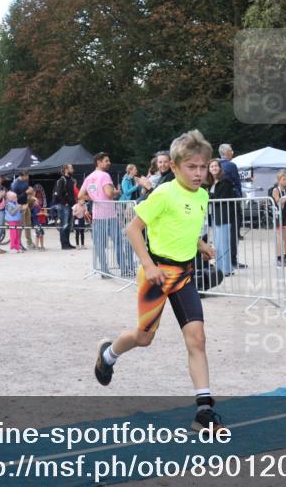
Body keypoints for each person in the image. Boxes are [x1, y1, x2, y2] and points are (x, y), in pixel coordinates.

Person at [94, 130, 224, 434]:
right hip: (157, 274)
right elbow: (132, 230)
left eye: (203, 167)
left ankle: (203, 413)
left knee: (197, 339)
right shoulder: (164, 193)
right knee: (143, 337)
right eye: (191, 167)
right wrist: (149, 265)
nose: (198, 173)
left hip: (183, 276)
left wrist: (201, 244)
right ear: (175, 167)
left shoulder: (203, 195)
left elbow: (184, 227)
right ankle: (108, 354)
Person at [81, 152, 124, 275]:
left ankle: (104, 270)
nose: (109, 163)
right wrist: (117, 192)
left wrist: (93, 198)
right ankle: (124, 268)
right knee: (118, 242)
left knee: (100, 244)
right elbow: (109, 193)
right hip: (109, 214)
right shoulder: (105, 176)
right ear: (99, 162)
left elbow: (80, 195)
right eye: (107, 160)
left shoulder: (89, 177)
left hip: (97, 215)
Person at [218, 143, 246, 269]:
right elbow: (237, 184)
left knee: (221, 233)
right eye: (231, 151)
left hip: (219, 205)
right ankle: (233, 260)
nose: (233, 153)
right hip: (232, 204)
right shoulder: (231, 165)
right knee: (233, 232)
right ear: (226, 153)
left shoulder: (215, 165)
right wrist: (240, 198)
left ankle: (223, 260)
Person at [207, 158, 237, 275]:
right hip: (216, 214)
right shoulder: (211, 183)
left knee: (223, 242)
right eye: (211, 166)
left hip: (224, 215)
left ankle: (225, 269)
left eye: (216, 166)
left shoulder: (225, 181)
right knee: (218, 242)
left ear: (220, 168)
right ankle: (222, 267)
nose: (214, 168)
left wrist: (208, 197)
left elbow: (220, 198)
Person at [271, 170, 286, 267]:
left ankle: (285, 256)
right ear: (279, 180)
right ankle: (278, 258)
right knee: (280, 238)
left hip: (285, 215)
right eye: (284, 179)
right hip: (278, 216)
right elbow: (278, 202)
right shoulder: (276, 190)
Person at [53, 165, 77, 249]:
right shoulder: (61, 180)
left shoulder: (70, 180)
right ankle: (64, 244)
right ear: (66, 170)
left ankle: (67, 243)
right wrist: (65, 202)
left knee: (69, 225)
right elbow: (59, 193)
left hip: (70, 205)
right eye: (71, 168)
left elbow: (71, 193)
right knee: (64, 224)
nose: (73, 170)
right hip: (63, 205)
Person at [10, 171, 35, 251]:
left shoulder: (25, 181)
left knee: (28, 224)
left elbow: (27, 192)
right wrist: (26, 192)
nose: (28, 177)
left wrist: (31, 194)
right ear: (22, 176)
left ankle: (29, 243)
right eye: (26, 176)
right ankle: (19, 243)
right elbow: (15, 198)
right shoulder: (15, 184)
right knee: (20, 226)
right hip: (19, 206)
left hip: (26, 205)